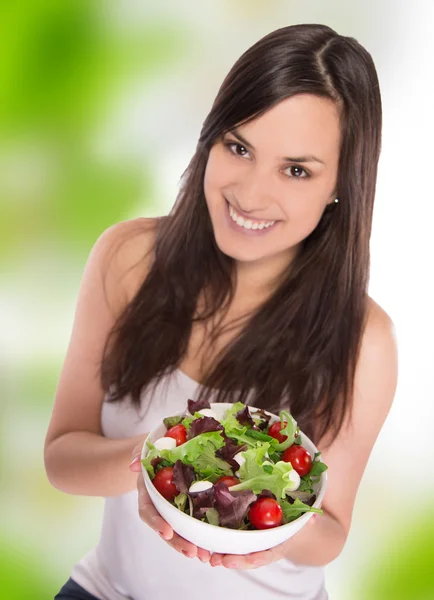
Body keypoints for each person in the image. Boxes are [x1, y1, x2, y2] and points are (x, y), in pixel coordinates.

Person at [45, 23, 398, 600]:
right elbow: (63, 457)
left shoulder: (366, 339)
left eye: (296, 169)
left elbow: (332, 529)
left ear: (340, 185)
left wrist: (273, 530)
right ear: (209, 139)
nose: (252, 194)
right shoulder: (128, 258)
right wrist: (154, 464)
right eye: (238, 147)